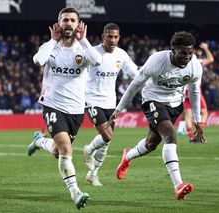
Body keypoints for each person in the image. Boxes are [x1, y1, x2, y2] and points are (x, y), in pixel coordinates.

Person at [108, 31, 206, 200]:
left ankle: (127, 156)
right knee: (170, 136)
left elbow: (195, 92)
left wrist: (198, 121)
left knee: (151, 144)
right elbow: (135, 84)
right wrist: (119, 108)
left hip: (176, 104)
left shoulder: (195, 66)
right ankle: (178, 185)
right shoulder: (157, 61)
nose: (187, 57)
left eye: (190, 53)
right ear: (173, 50)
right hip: (153, 100)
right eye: (183, 53)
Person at [26, 7, 102, 209]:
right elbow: (38, 60)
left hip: (76, 110)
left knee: (57, 152)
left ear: (78, 25)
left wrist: (84, 40)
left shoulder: (84, 49)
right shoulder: (51, 47)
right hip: (53, 106)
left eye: (72, 20)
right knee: (67, 150)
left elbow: (98, 61)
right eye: (65, 20)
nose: (69, 23)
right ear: (58, 24)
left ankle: (40, 141)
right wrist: (52, 40)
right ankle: (76, 193)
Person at [83, 23, 138, 186]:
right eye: (109, 36)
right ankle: (88, 149)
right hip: (92, 100)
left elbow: (136, 73)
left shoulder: (121, 55)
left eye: (115, 37)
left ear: (119, 37)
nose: (112, 40)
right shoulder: (92, 52)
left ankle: (93, 174)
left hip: (110, 102)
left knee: (106, 142)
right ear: (103, 37)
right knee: (107, 136)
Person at [177, 42, 214, 143]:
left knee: (188, 116)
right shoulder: (197, 62)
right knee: (204, 112)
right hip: (195, 91)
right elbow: (211, 59)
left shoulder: (182, 64)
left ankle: (191, 137)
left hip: (184, 92)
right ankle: (199, 136)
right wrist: (206, 48)